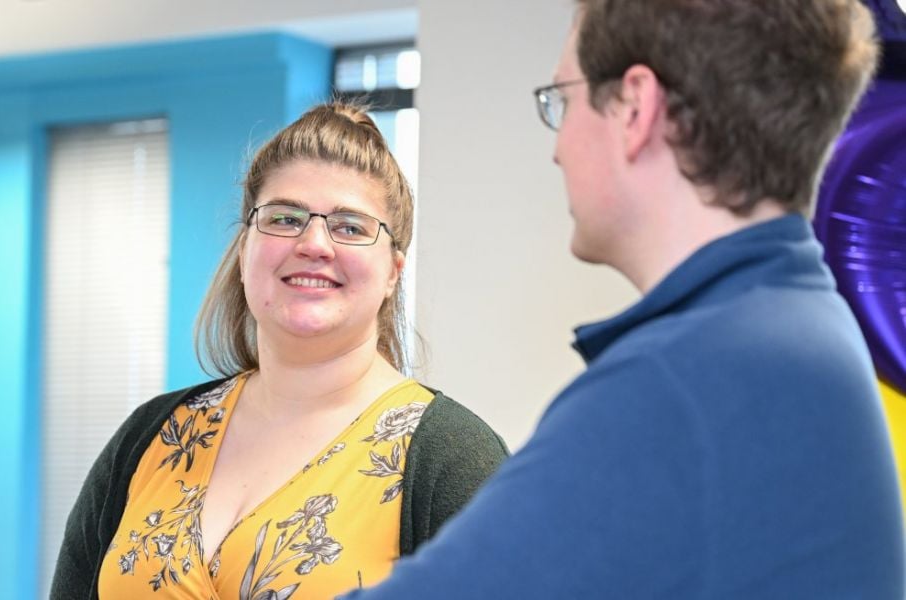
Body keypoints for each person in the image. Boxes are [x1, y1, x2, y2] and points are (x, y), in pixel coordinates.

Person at [341, 1, 905, 598]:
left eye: (562, 99)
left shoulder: (689, 377)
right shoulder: (796, 322)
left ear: (635, 108)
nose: (557, 149)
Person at [49, 102, 507, 600]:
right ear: (245, 253)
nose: (313, 243)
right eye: (284, 218)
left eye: (350, 226)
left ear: (393, 272)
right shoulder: (151, 436)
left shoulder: (451, 459)